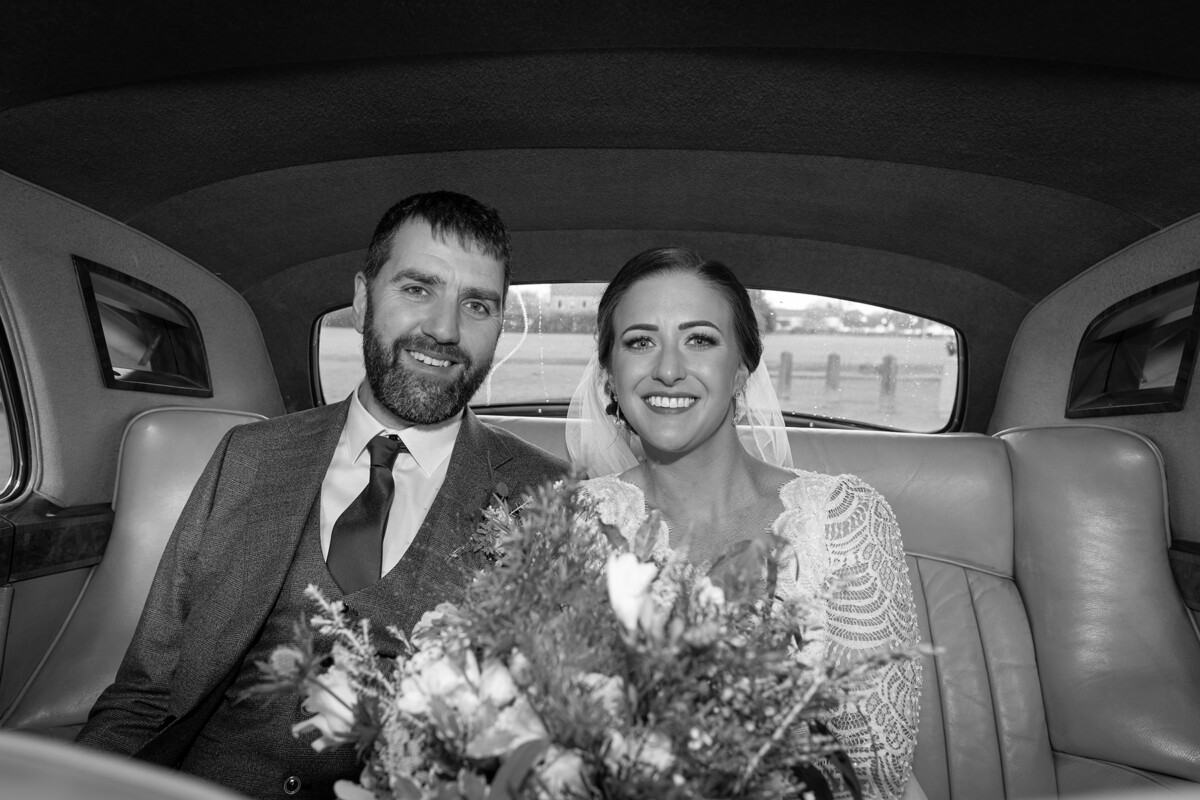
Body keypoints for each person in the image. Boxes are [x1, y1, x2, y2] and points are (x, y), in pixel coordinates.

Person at [76, 191, 568, 798]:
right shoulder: (249, 457)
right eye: (417, 289)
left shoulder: (544, 495)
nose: (444, 329)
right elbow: (148, 691)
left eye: (477, 305)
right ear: (362, 299)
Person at [568, 247, 923, 800]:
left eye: (700, 339)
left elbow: (876, 768)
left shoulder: (843, 520)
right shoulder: (576, 526)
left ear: (741, 370)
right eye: (640, 341)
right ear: (611, 374)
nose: (667, 368)